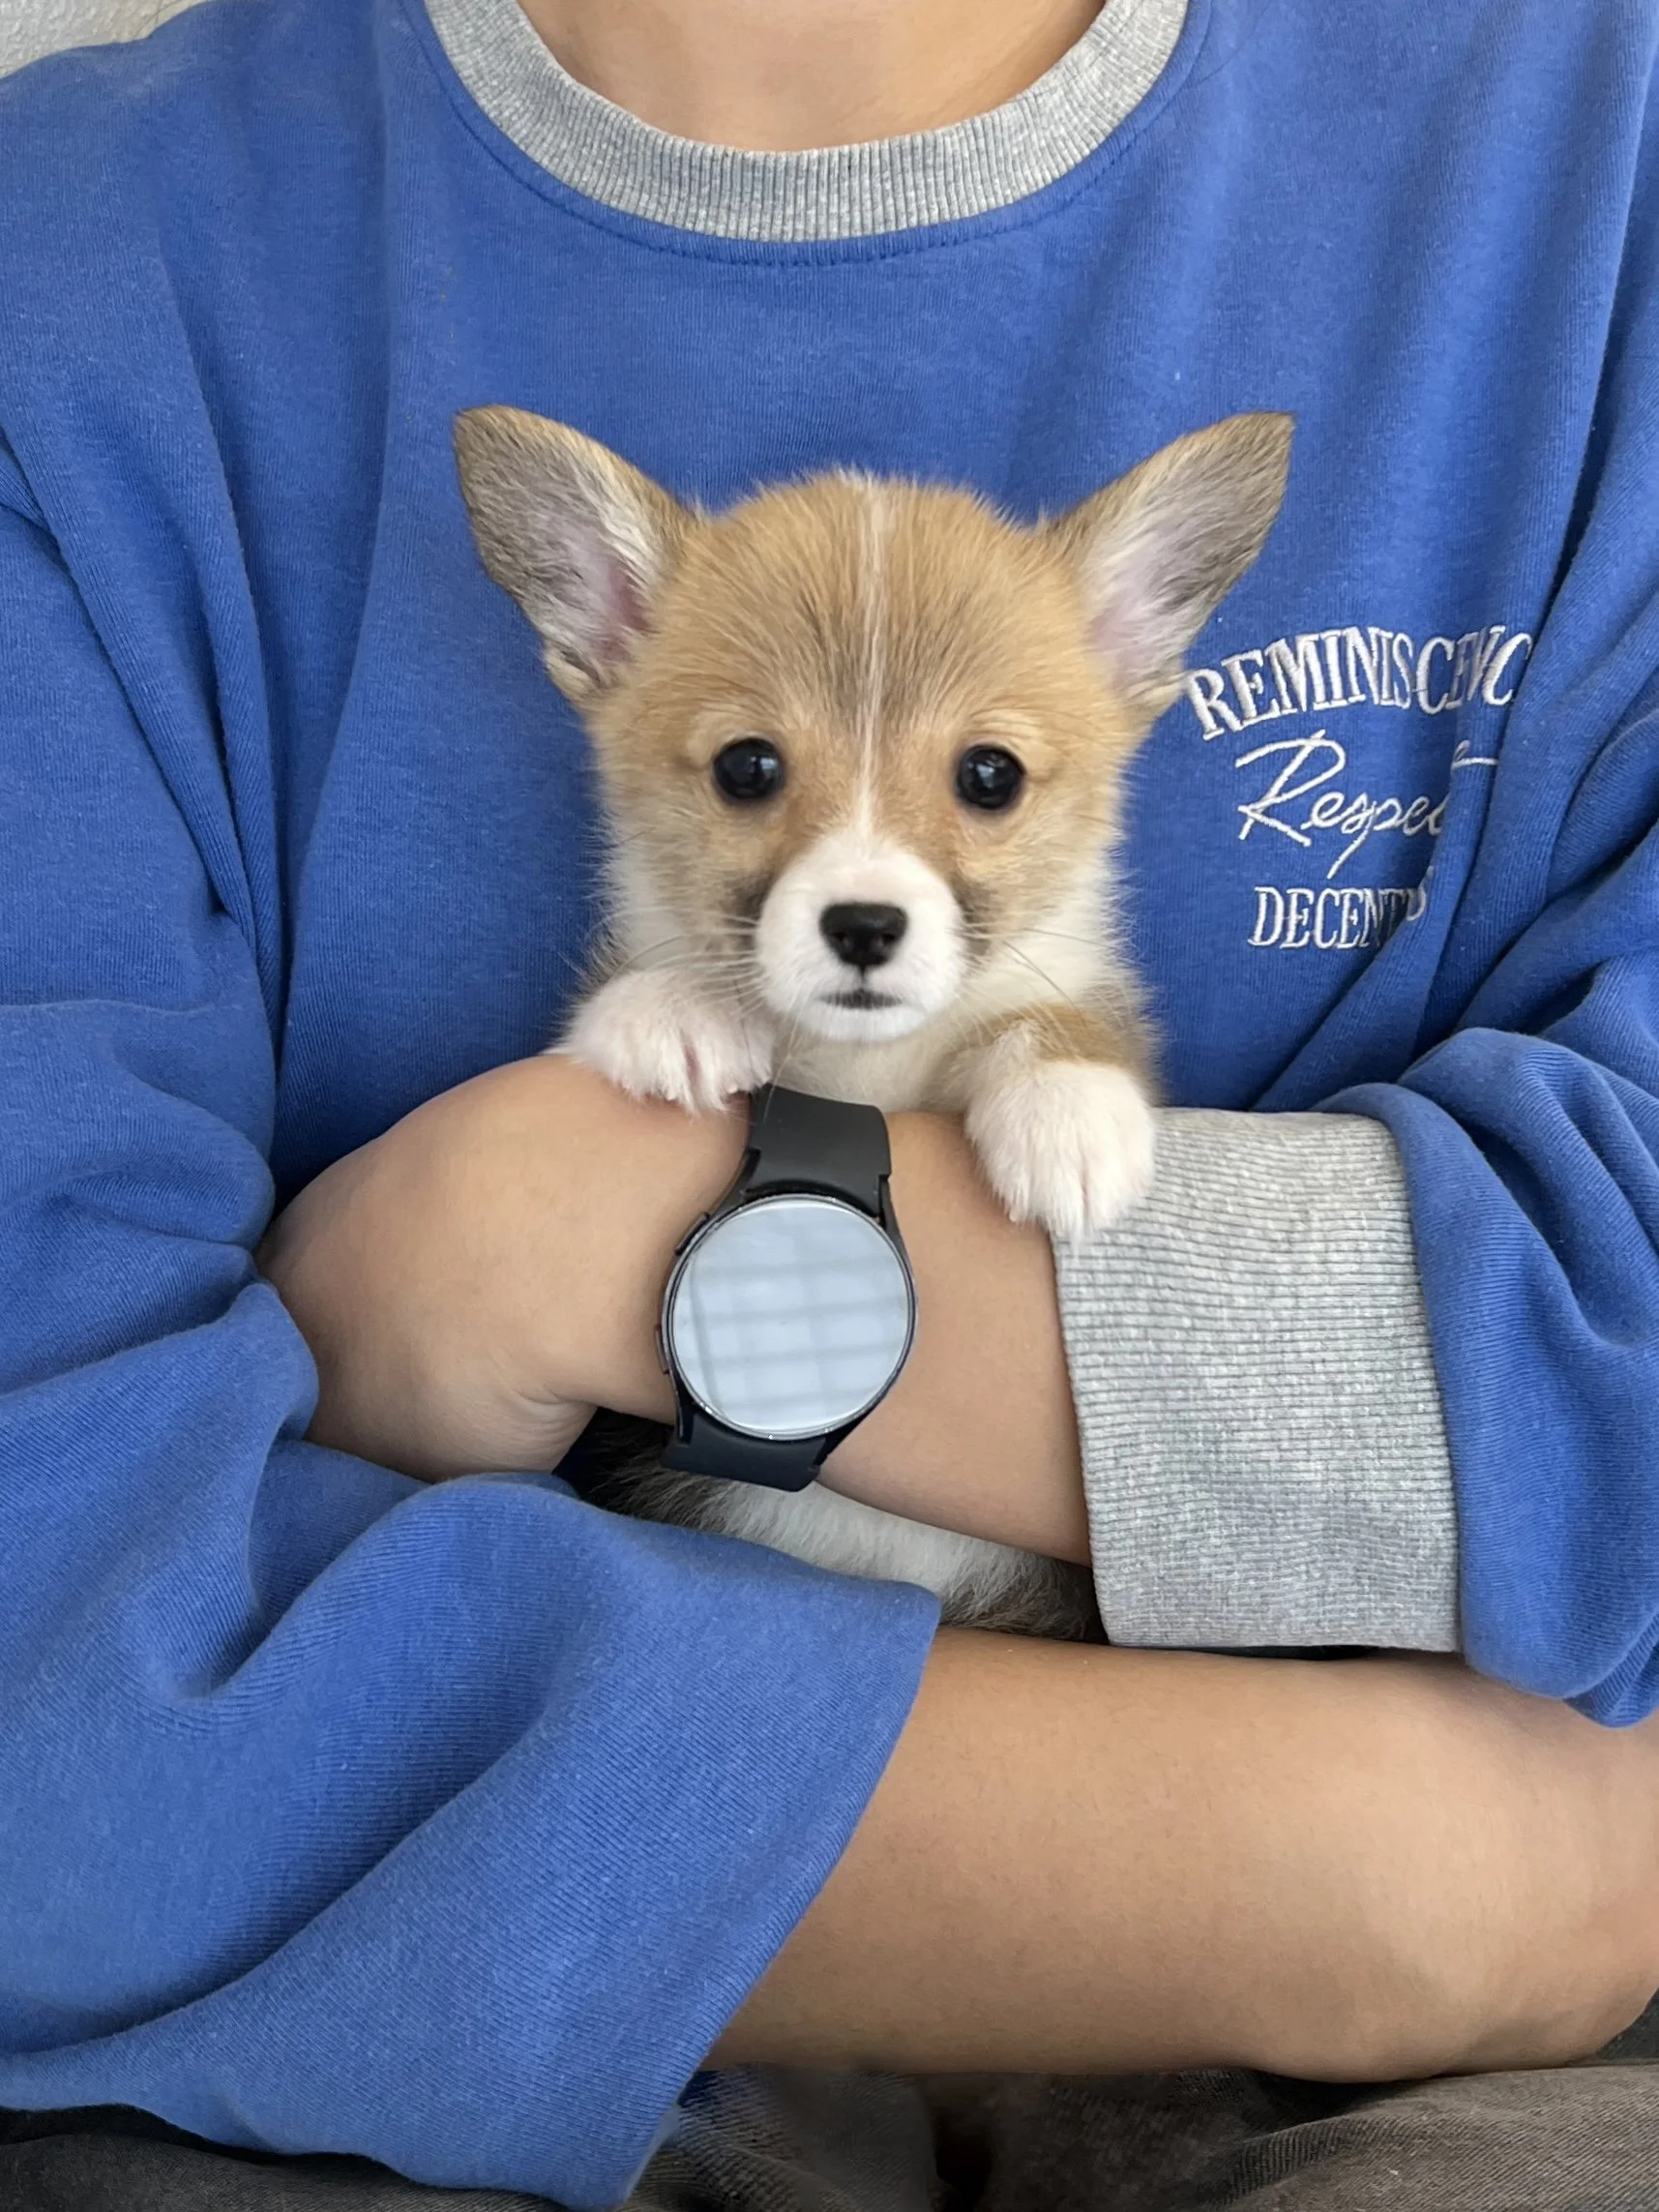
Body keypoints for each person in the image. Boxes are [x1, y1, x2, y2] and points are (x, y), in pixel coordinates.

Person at [3, 0, 1659, 2205]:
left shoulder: (1596, 166)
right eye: (755, 768)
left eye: (980, 777)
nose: (867, 868)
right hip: (386, 2088)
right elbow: (50, 1705)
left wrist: (594, 1251)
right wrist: (1410, 1874)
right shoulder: (73, 284)